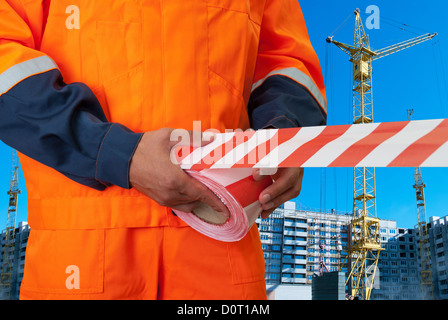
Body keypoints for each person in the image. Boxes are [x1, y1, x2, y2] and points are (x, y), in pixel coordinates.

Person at [0, 0, 326, 299]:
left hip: (221, 244)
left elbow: (286, 61)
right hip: (81, 254)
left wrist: (284, 137)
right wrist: (115, 153)